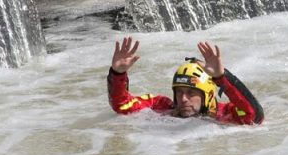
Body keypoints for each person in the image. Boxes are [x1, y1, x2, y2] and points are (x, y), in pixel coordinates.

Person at [107, 36, 264, 125]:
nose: (183, 99)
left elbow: (255, 116)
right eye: (179, 92)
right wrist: (118, 73)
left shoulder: (227, 114)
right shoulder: (161, 106)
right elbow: (122, 106)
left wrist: (221, 77)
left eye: (191, 93)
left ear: (208, 95)